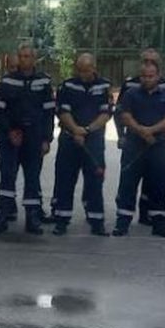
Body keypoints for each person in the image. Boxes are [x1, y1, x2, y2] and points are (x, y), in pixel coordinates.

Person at [0, 43, 55, 234]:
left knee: (32, 178)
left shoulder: (43, 82)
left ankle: (32, 218)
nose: (24, 59)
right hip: (10, 138)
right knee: (7, 177)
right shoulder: (7, 82)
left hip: (34, 137)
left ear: (34, 59)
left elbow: (49, 113)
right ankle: (2, 216)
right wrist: (9, 131)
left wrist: (47, 139)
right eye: (21, 56)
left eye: (28, 56)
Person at [112, 60, 165, 238]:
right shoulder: (130, 94)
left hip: (157, 146)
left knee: (158, 184)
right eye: (144, 76)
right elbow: (125, 116)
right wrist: (141, 131)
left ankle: (159, 223)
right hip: (134, 146)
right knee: (128, 184)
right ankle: (122, 222)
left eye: (151, 76)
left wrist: (151, 131)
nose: (147, 79)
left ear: (158, 76)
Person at [52, 53, 112, 237]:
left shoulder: (104, 86)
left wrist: (86, 130)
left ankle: (96, 221)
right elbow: (63, 111)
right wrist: (75, 130)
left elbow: (106, 113)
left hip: (93, 140)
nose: (82, 74)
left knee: (95, 180)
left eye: (86, 70)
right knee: (65, 180)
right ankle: (61, 221)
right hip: (69, 139)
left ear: (94, 68)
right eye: (79, 70)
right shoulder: (67, 85)